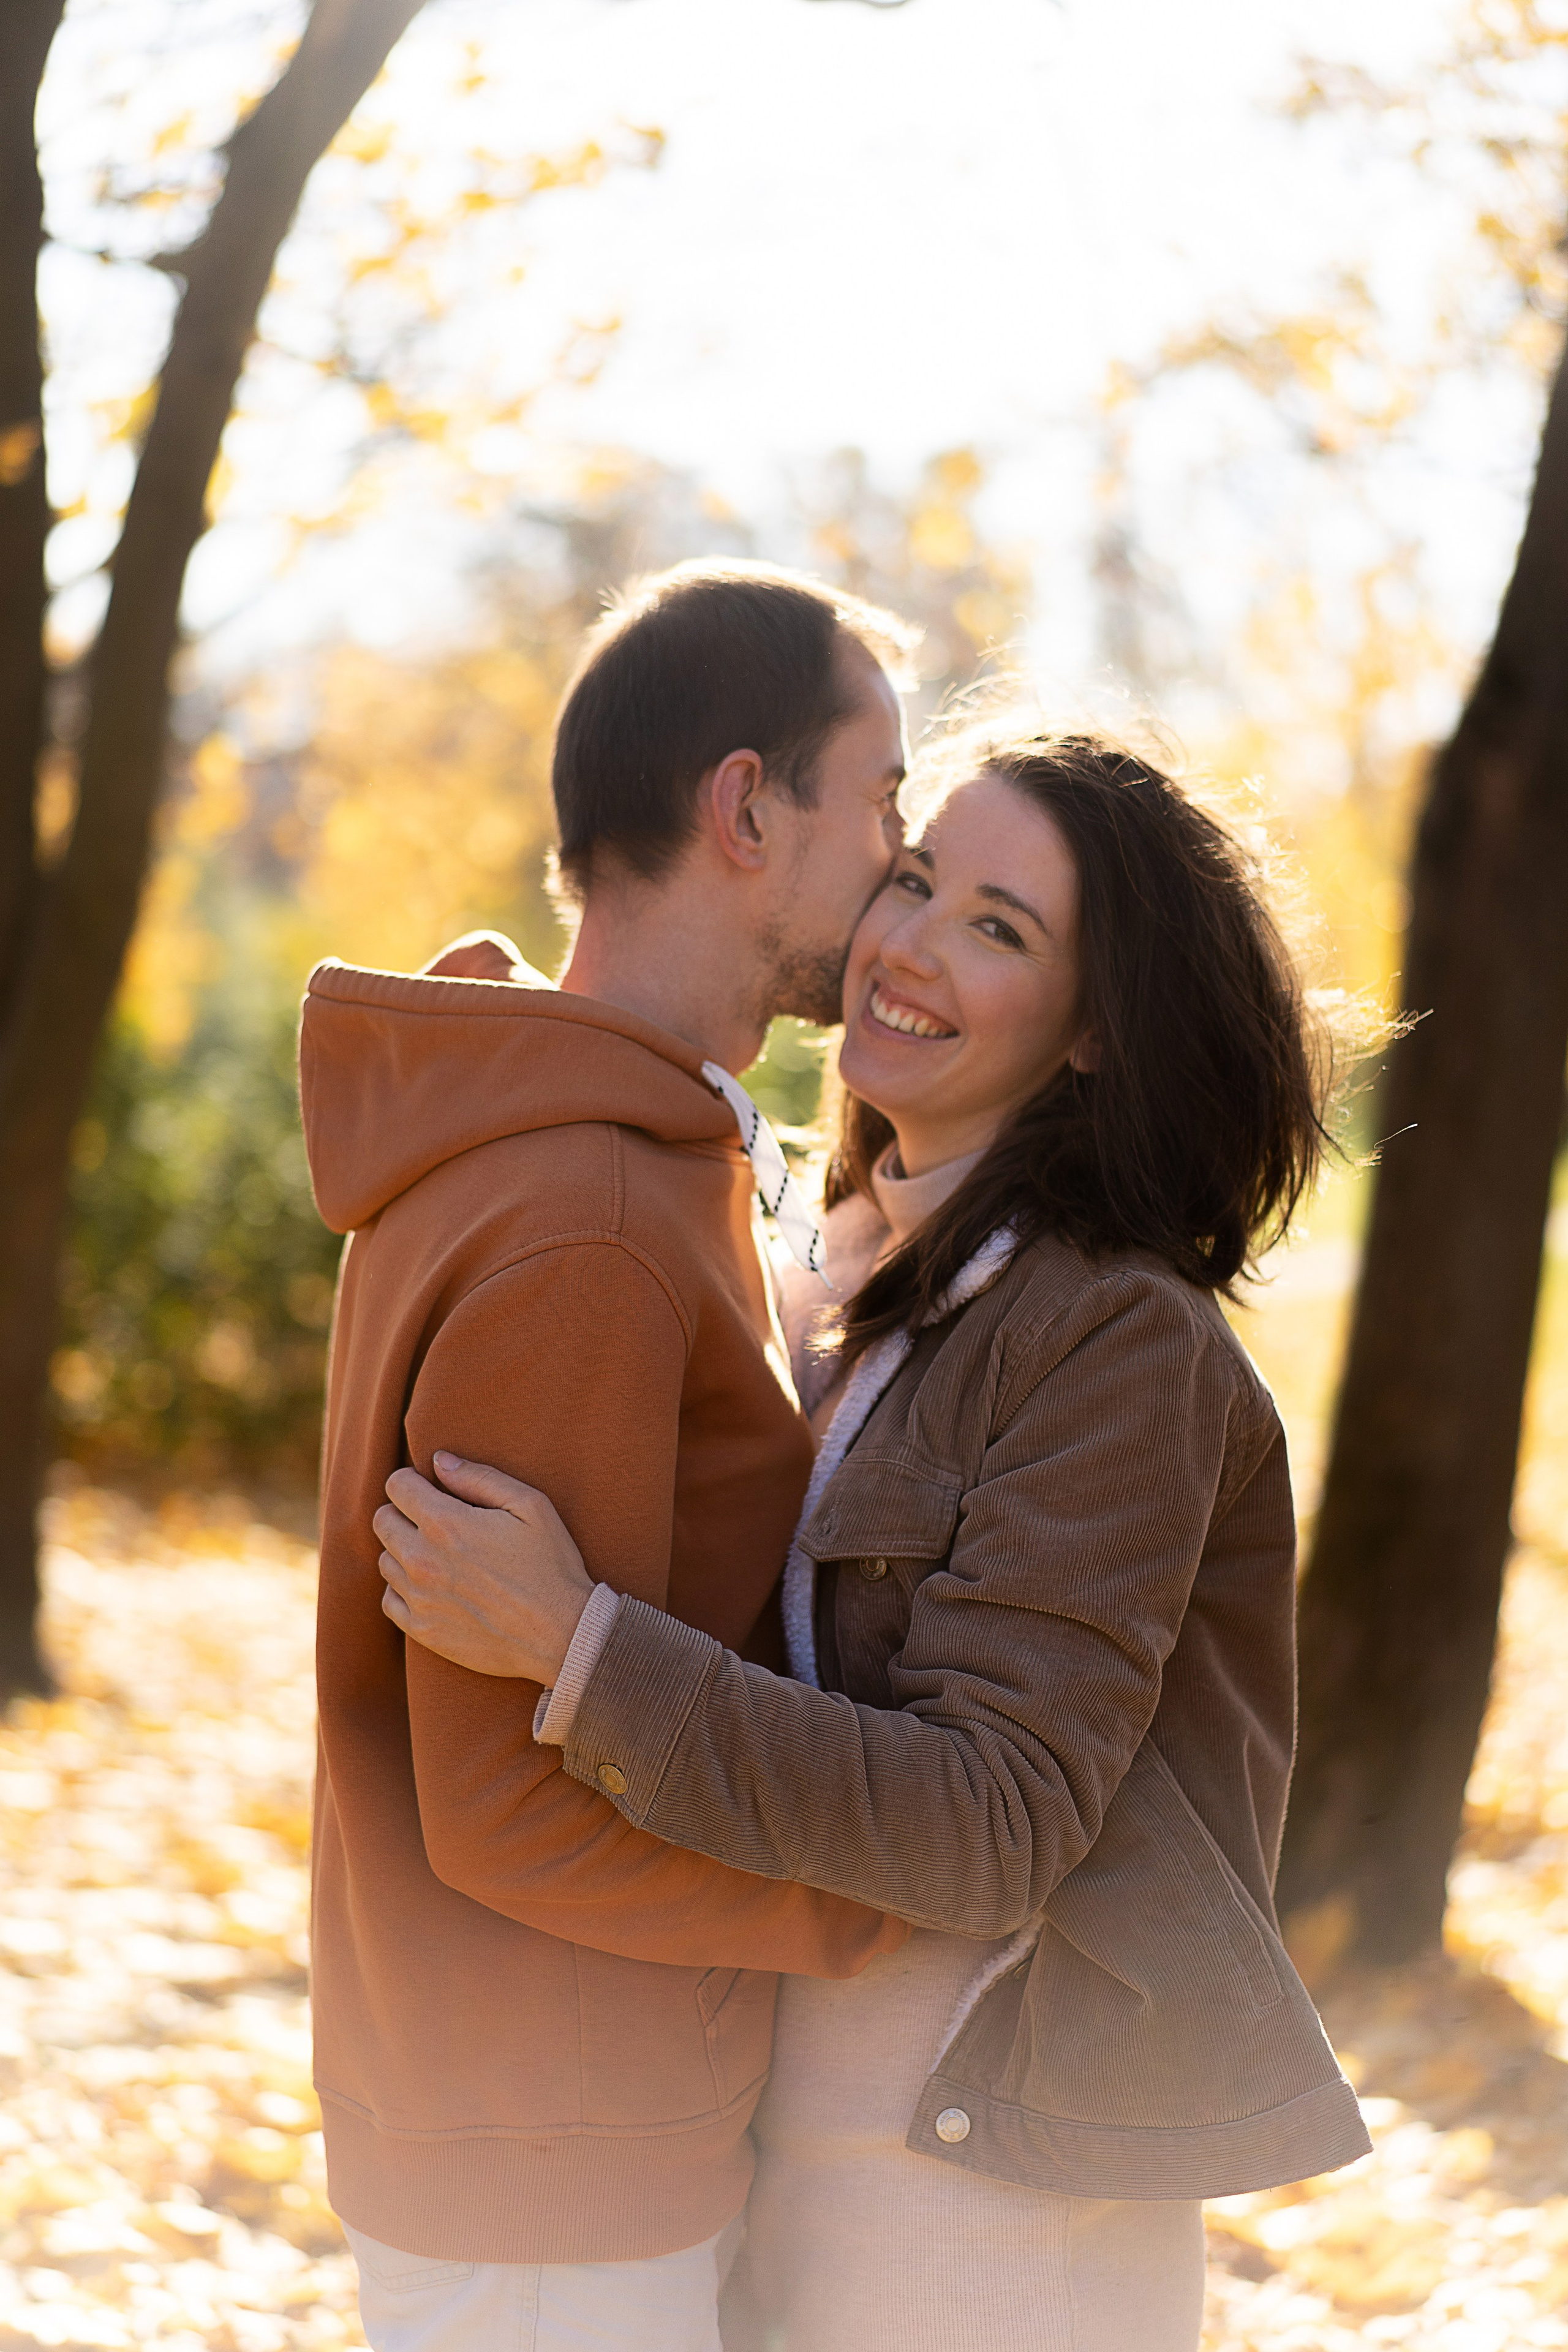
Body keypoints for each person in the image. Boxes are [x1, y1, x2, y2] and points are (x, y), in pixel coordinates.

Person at [374, 721, 1373, 2352]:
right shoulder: (833, 1269)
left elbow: (992, 1824)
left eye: (1000, 927)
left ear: (1096, 1034)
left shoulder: (1117, 1343)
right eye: (916, 879)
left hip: (981, 2191)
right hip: (771, 2132)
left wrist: (578, 1648)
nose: (908, 945)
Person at [300, 560, 927, 2352]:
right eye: (880, 797)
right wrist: (879, 1899)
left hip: (558, 2111)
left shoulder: (626, 1154)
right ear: (748, 806)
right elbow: (499, 1804)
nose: (901, 857)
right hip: (550, 2161)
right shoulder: (584, 1211)